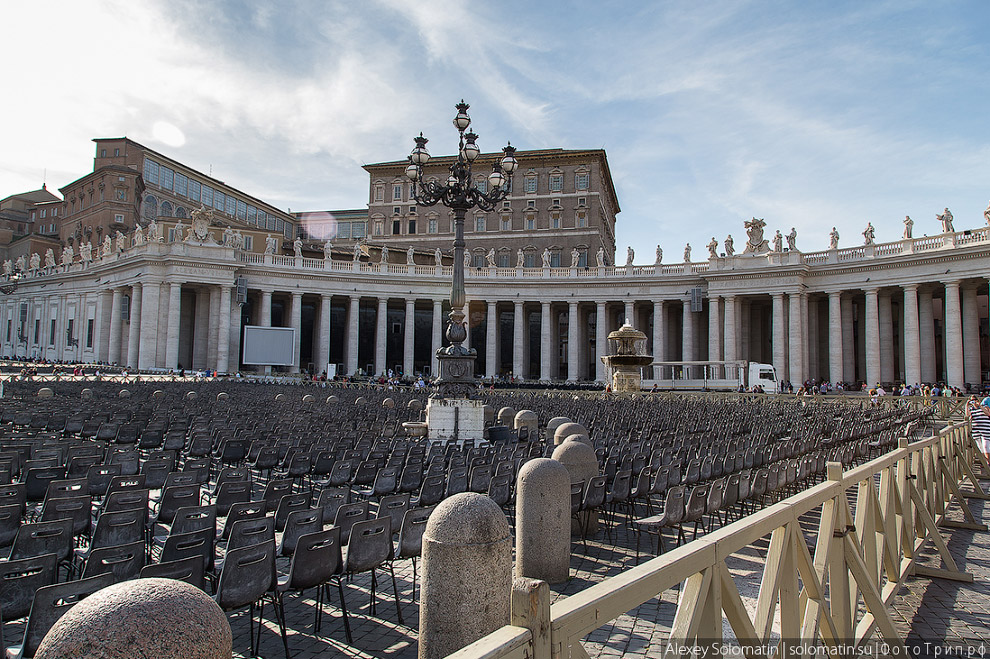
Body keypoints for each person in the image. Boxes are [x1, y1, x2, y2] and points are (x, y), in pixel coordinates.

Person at [966, 395, 990, 463]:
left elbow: (988, 414)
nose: (973, 401)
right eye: (971, 400)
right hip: (976, 430)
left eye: (975, 399)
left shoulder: (984, 407)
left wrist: (980, 406)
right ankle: (984, 462)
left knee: (986, 446)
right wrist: (966, 406)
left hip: (985, 429)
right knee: (980, 448)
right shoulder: (971, 409)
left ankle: (988, 463)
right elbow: (967, 415)